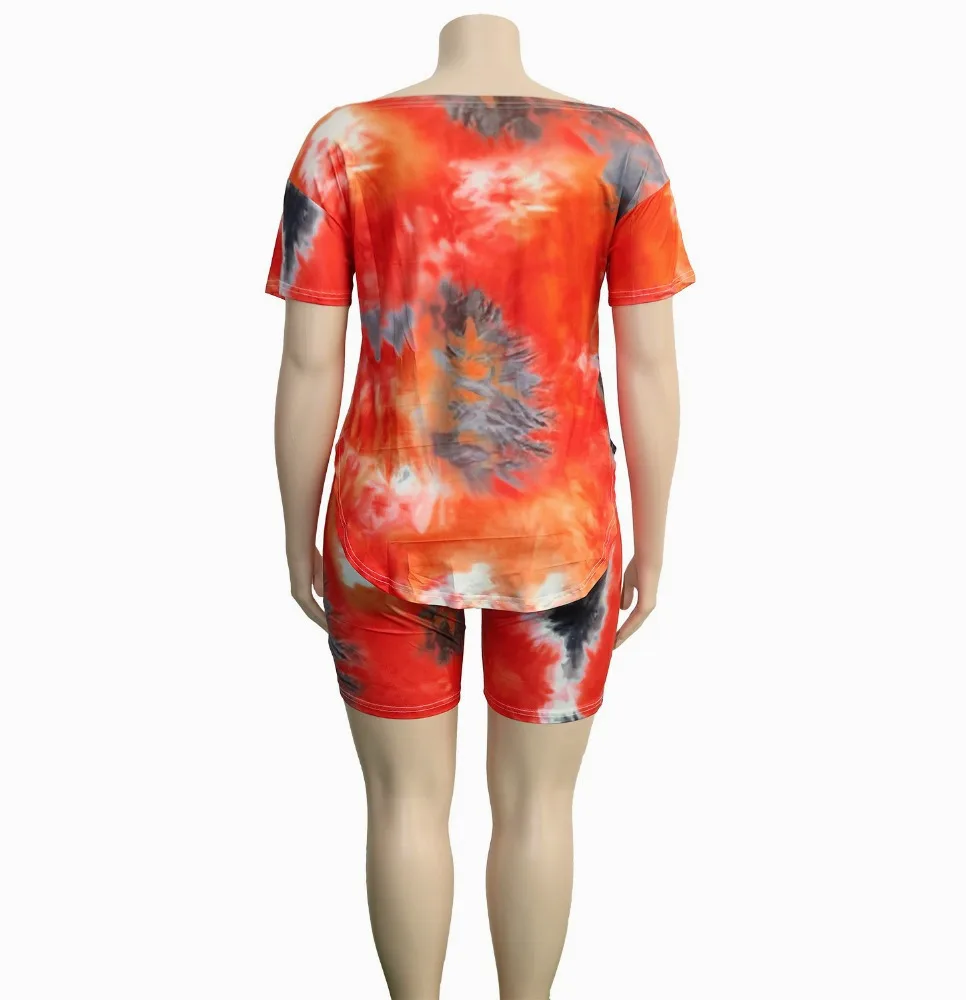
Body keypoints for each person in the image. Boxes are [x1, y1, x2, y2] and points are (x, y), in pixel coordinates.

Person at [264, 14, 695, 1000]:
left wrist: (295, 532)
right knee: (540, 809)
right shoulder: (618, 149)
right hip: (563, 532)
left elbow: (306, 363)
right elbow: (651, 365)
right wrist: (655, 541)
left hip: (382, 525)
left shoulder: (346, 142)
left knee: (402, 807)